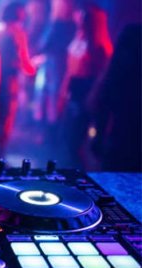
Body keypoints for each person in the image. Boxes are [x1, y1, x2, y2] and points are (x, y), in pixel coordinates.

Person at [59, 3, 113, 169]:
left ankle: (81, 176)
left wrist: (90, 101)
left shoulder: (100, 47)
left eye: (86, 18)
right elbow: (70, 70)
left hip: (85, 96)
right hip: (73, 94)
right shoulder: (78, 39)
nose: (81, 19)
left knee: (76, 142)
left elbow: (100, 79)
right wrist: (63, 93)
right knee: (67, 139)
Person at [91, 24, 142, 172]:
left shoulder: (116, 76)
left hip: (119, 145)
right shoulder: (120, 78)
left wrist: (98, 139)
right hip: (122, 144)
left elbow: (102, 104)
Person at [0, 1, 38, 159]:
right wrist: (35, 67)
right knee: (6, 120)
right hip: (9, 83)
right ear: (18, 12)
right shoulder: (17, 32)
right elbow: (25, 62)